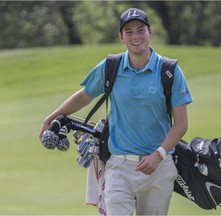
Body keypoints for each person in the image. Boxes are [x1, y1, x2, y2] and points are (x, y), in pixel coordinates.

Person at [39, 7, 192, 216]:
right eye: (129, 31)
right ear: (121, 37)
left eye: (141, 30)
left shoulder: (170, 70)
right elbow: (85, 95)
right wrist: (50, 119)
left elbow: (181, 123)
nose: (135, 36)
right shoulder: (111, 66)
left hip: (159, 167)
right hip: (119, 167)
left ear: (150, 33)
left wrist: (159, 154)